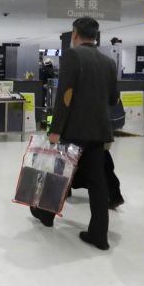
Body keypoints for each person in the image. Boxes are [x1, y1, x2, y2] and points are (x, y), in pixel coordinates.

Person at [29, 17, 118, 250]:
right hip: (99, 131)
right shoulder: (109, 62)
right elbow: (113, 99)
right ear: (96, 36)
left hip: (74, 129)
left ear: (75, 34)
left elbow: (65, 96)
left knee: (60, 173)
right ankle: (99, 234)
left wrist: (55, 129)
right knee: (98, 182)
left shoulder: (72, 56)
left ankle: (46, 215)